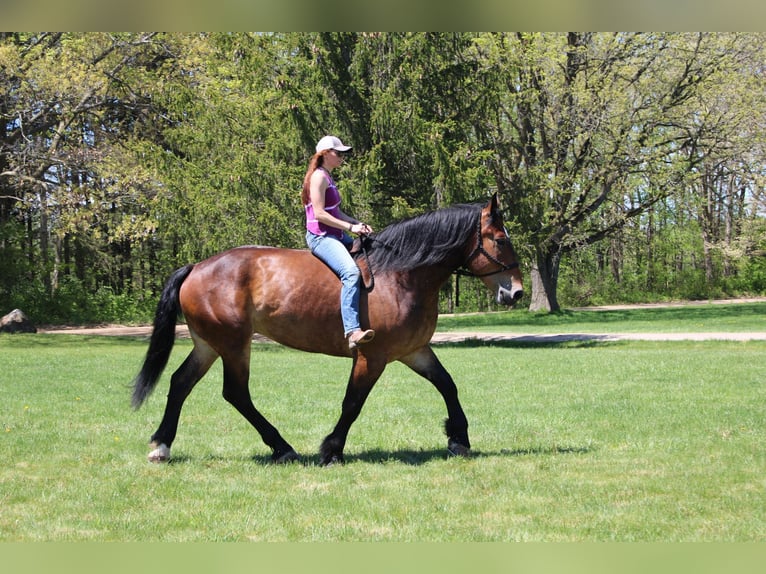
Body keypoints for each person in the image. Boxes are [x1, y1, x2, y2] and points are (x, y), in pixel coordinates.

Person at [302, 135, 375, 350]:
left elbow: (336, 212)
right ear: (325, 154)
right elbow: (320, 214)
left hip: (336, 234)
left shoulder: (327, 176)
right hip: (321, 237)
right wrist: (350, 228)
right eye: (338, 153)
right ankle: (352, 331)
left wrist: (356, 223)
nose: (342, 157)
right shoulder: (318, 177)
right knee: (351, 273)